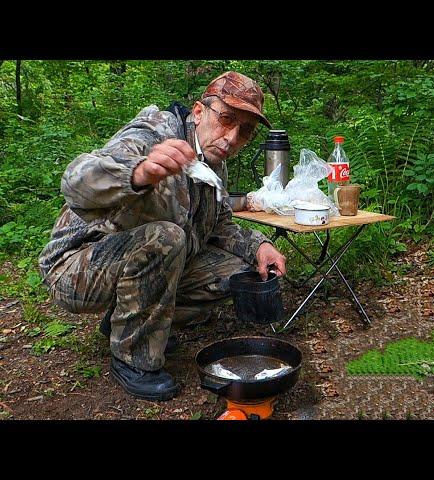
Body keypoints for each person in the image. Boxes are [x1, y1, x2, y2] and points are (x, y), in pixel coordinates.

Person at [38, 71, 287, 401]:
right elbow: (76, 181)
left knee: (239, 272)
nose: (231, 137)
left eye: (245, 131)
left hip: (132, 263)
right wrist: (139, 173)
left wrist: (260, 245)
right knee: (167, 237)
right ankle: (133, 359)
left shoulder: (214, 162)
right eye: (226, 119)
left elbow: (221, 224)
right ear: (199, 112)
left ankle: (126, 321)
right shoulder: (156, 131)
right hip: (76, 266)